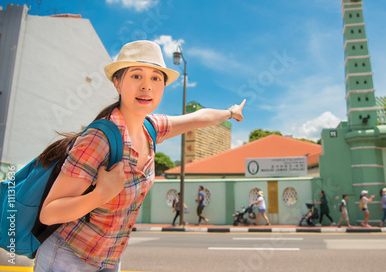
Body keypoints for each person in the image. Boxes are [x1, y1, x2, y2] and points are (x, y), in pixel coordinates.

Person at [34, 40, 246, 271]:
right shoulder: (100, 139)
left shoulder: (152, 128)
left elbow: (199, 118)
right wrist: (101, 194)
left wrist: (230, 112)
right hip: (69, 257)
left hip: (109, 259)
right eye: (136, 76)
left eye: (156, 78)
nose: (147, 86)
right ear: (117, 83)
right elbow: (49, 213)